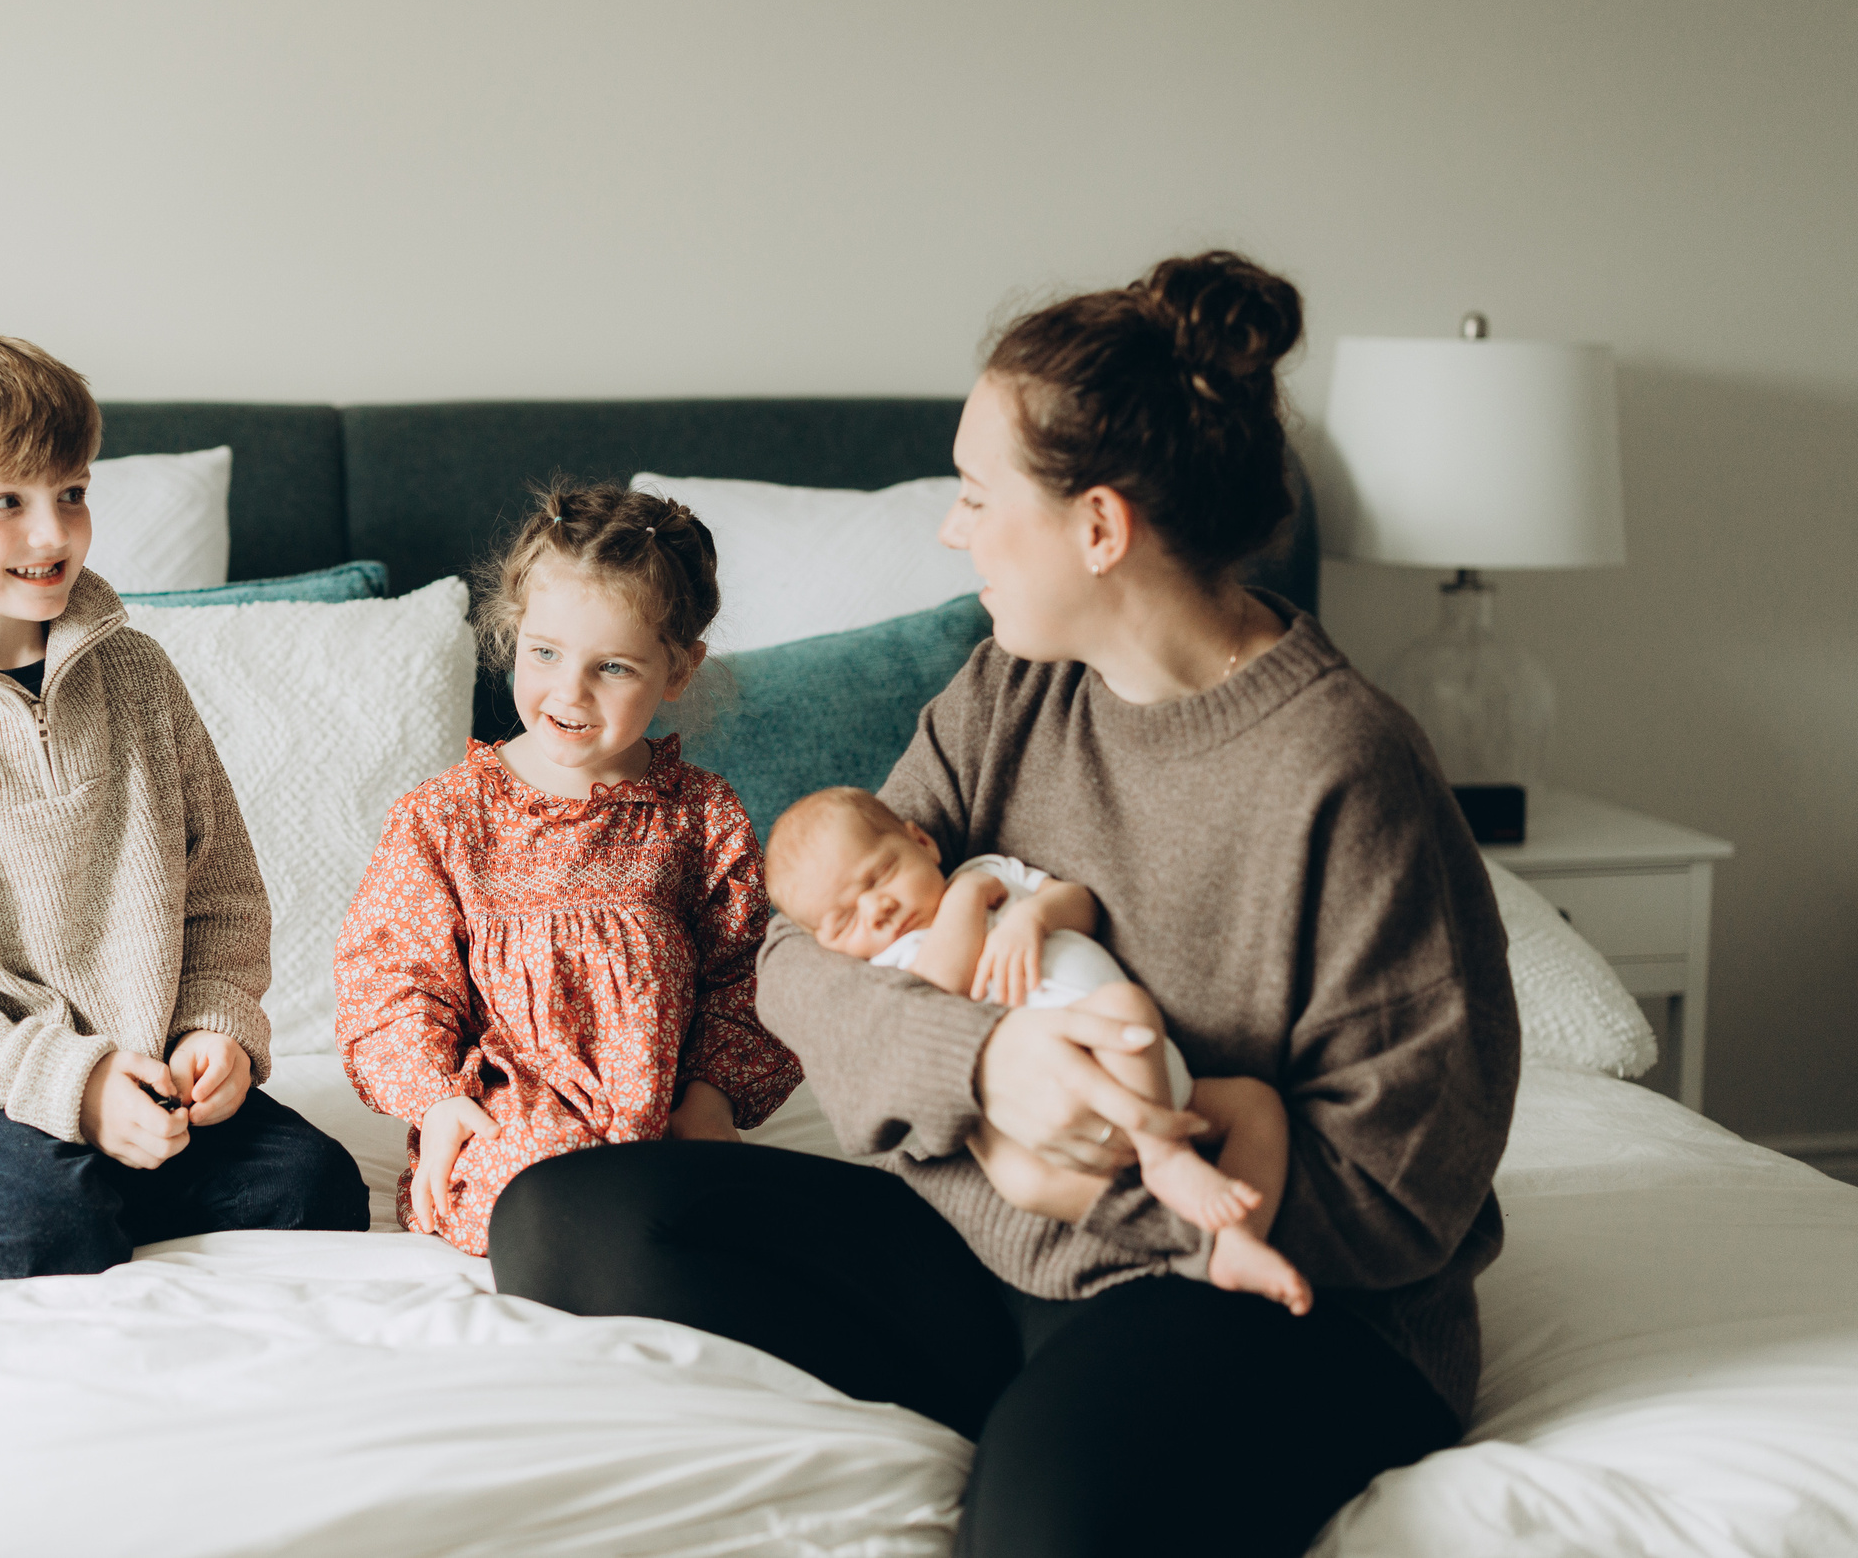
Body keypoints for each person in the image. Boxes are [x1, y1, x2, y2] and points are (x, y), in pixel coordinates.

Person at [486, 253, 1519, 1558]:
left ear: (1099, 527)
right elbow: (800, 953)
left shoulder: (1347, 766)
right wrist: (986, 1068)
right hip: (1000, 1251)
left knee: (1041, 1523)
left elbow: (1402, 1188)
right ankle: (1056, 1393)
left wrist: (1068, 1172)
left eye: (976, 495)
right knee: (564, 1219)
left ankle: (1072, 1417)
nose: (951, 530)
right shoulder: (1007, 692)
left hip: (1273, 1297)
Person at [0, 328, 366, 1285]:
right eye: (7, 502)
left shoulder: (140, 677)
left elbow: (221, 890)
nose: (52, 533)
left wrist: (216, 1027)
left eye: (72, 493)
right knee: (35, 1239)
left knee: (319, 1190)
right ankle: (50, 1192)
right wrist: (76, 1085)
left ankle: (116, 1175)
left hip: (148, 1074)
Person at [334, 482, 803, 1254]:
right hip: (505, 1115)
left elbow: (747, 974)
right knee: (538, 1195)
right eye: (544, 652)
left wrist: (710, 1100)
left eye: (613, 666)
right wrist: (436, 1101)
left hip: (661, 1119)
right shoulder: (447, 817)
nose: (569, 691)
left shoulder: (699, 815)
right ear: (515, 634)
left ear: (679, 671)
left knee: (736, 1218)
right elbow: (392, 979)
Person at [767, 785, 1309, 1313]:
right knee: (1124, 1010)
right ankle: (1169, 1165)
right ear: (829, 948)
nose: (877, 909)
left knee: (1255, 1105)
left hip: (1151, 1075)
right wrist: (965, 899)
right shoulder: (890, 964)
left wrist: (1034, 916)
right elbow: (941, 985)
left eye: (879, 874)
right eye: (845, 920)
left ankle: (1236, 1245)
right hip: (1056, 1113)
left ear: (922, 842)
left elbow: (1079, 902)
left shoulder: (988, 870)